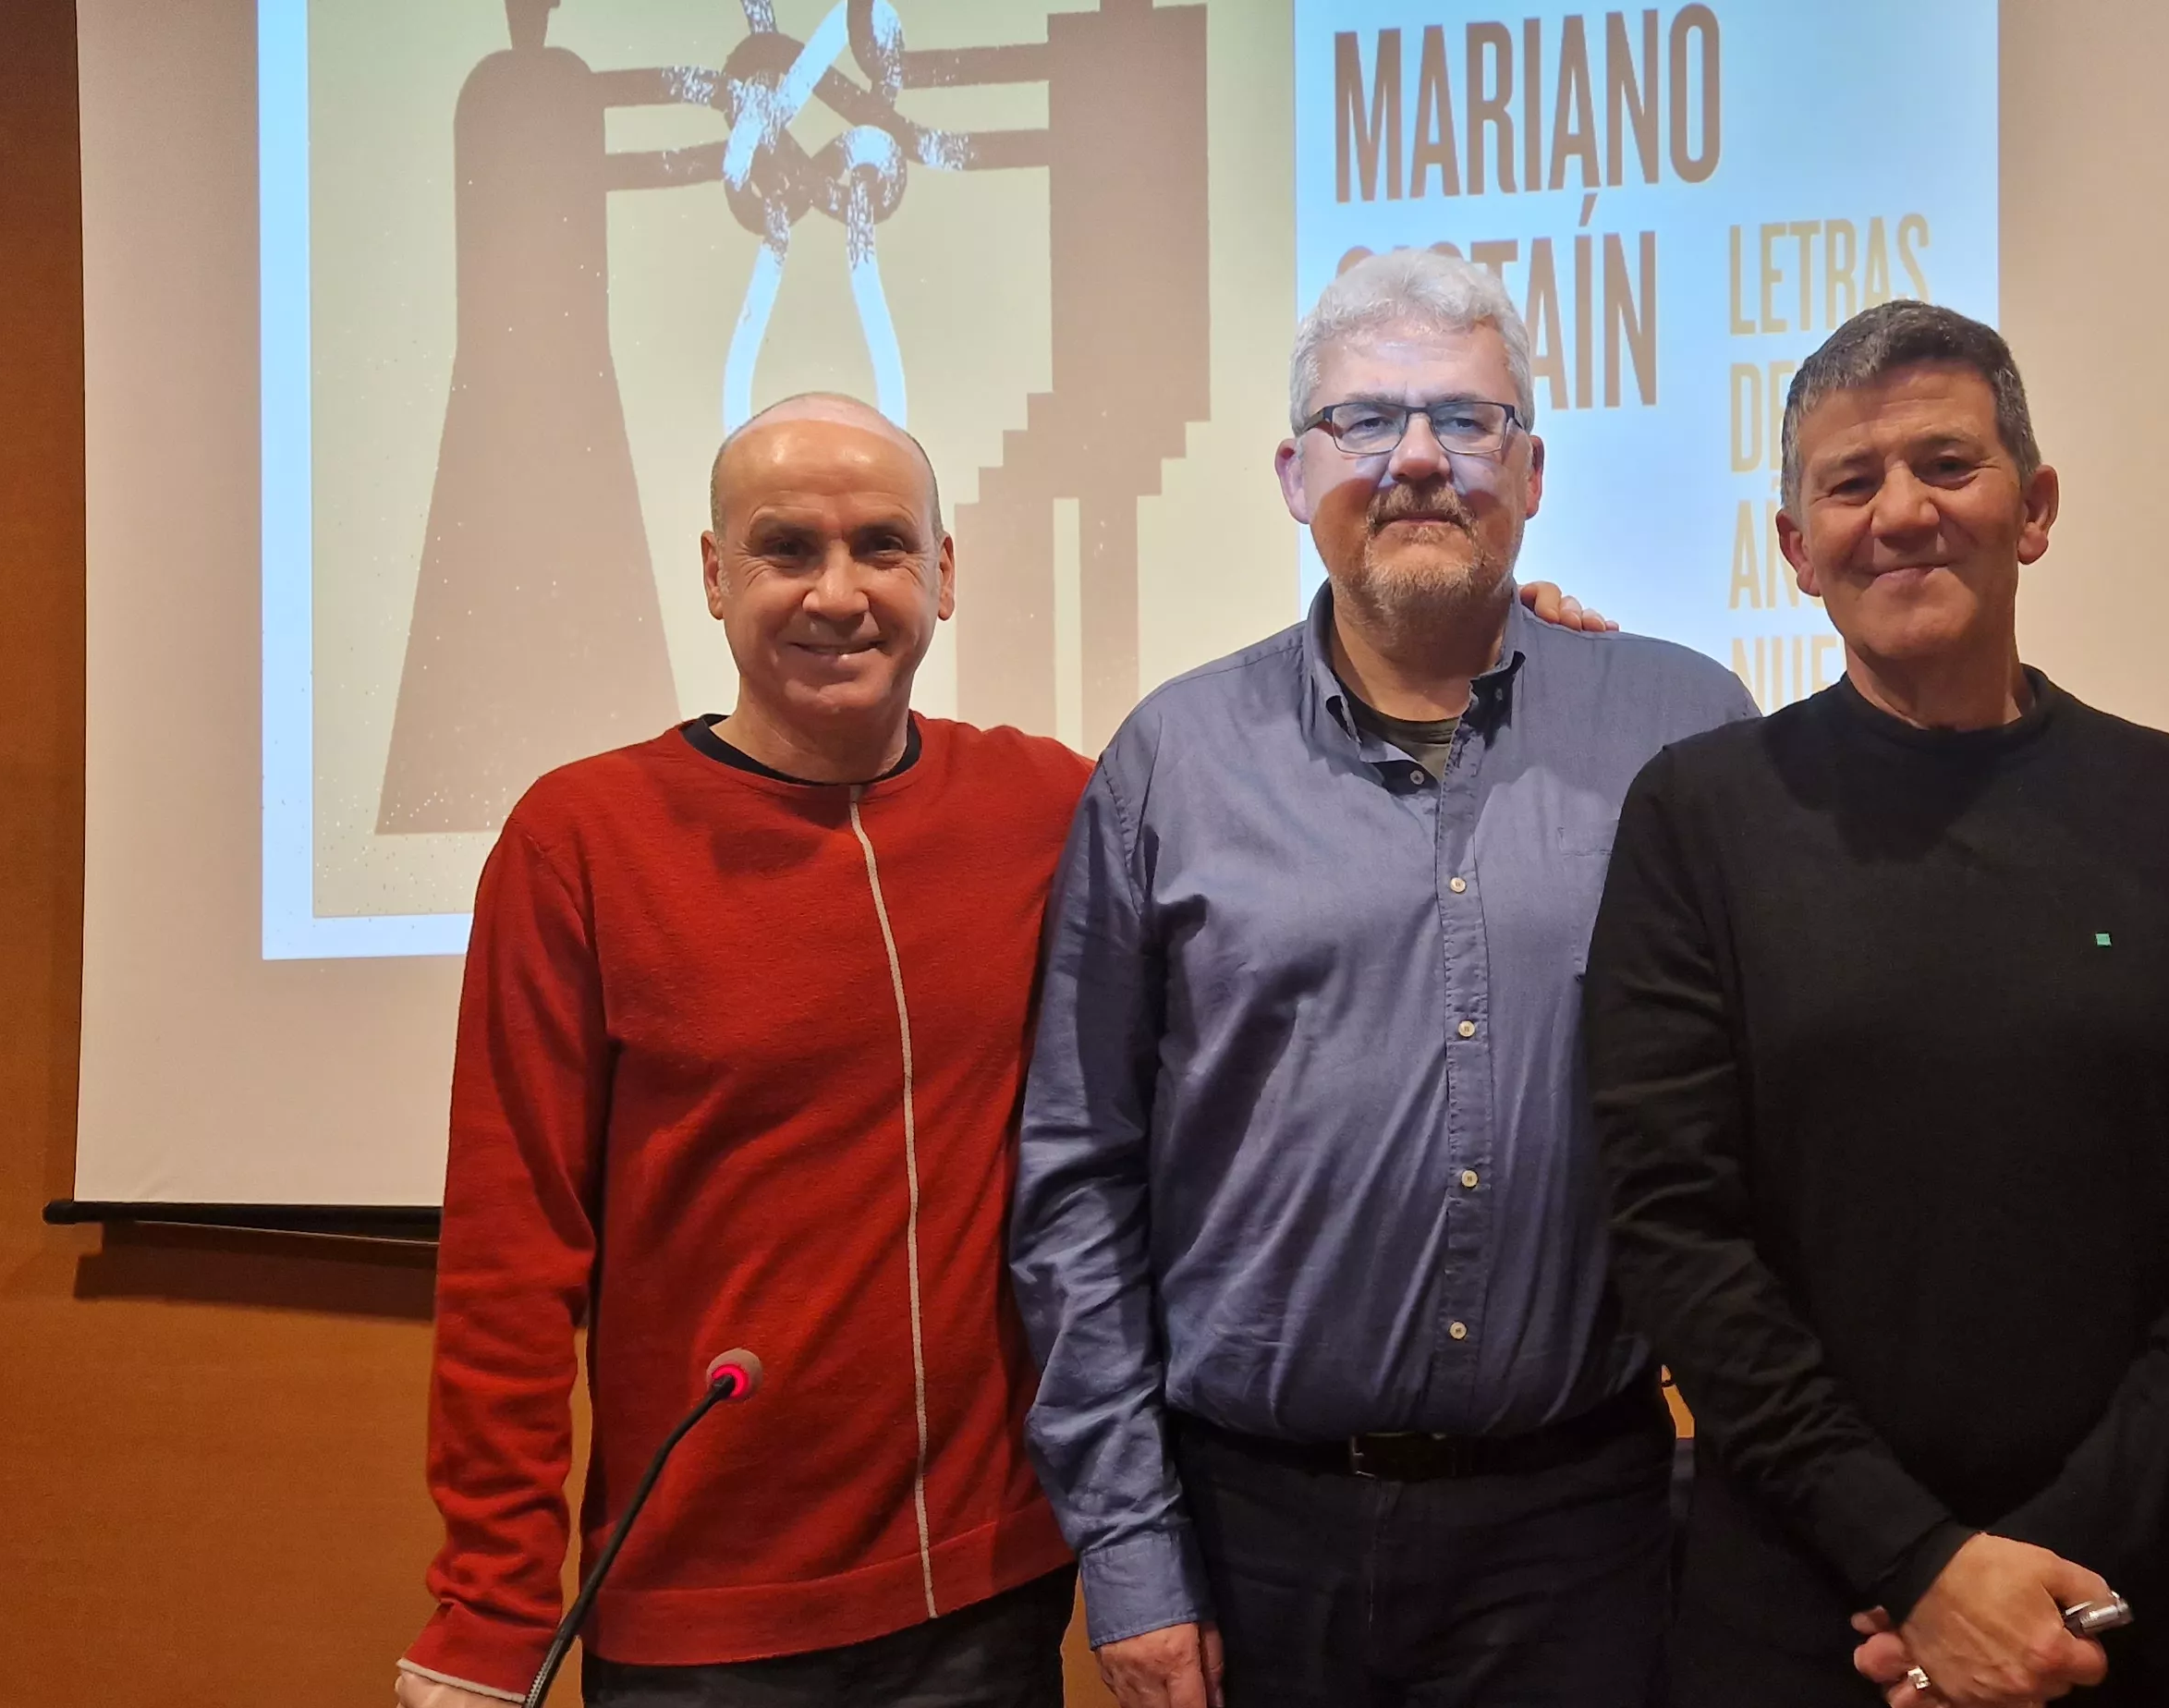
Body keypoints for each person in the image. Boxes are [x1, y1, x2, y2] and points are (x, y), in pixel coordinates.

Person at [393, 392, 1614, 1708]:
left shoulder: (1053, 804)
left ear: (945, 574)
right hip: (701, 1615)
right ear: (711, 574)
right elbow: (512, 1267)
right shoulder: (580, 843)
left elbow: (1293, 823)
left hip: (990, 1594)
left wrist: (1490, 652)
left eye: (881, 546)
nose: (837, 592)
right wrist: (491, 1615)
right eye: (785, 549)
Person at [1010, 248, 1758, 1708]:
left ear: (1531, 469)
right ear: (1296, 475)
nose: (1418, 457)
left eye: (1466, 420)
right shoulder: (1170, 761)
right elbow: (1076, 1180)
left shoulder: (1685, 730)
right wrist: (1133, 1557)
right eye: (1365, 422)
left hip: (1585, 1535)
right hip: (1250, 1544)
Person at [1585, 301, 2169, 1708]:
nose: (1901, 513)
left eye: (1947, 464)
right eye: (1849, 481)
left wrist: (2043, 1565)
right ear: (1794, 551)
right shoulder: (1698, 819)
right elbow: (1676, 1234)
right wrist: (1921, 1566)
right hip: (1797, 1616)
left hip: (2112, 1615)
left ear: (2035, 506)